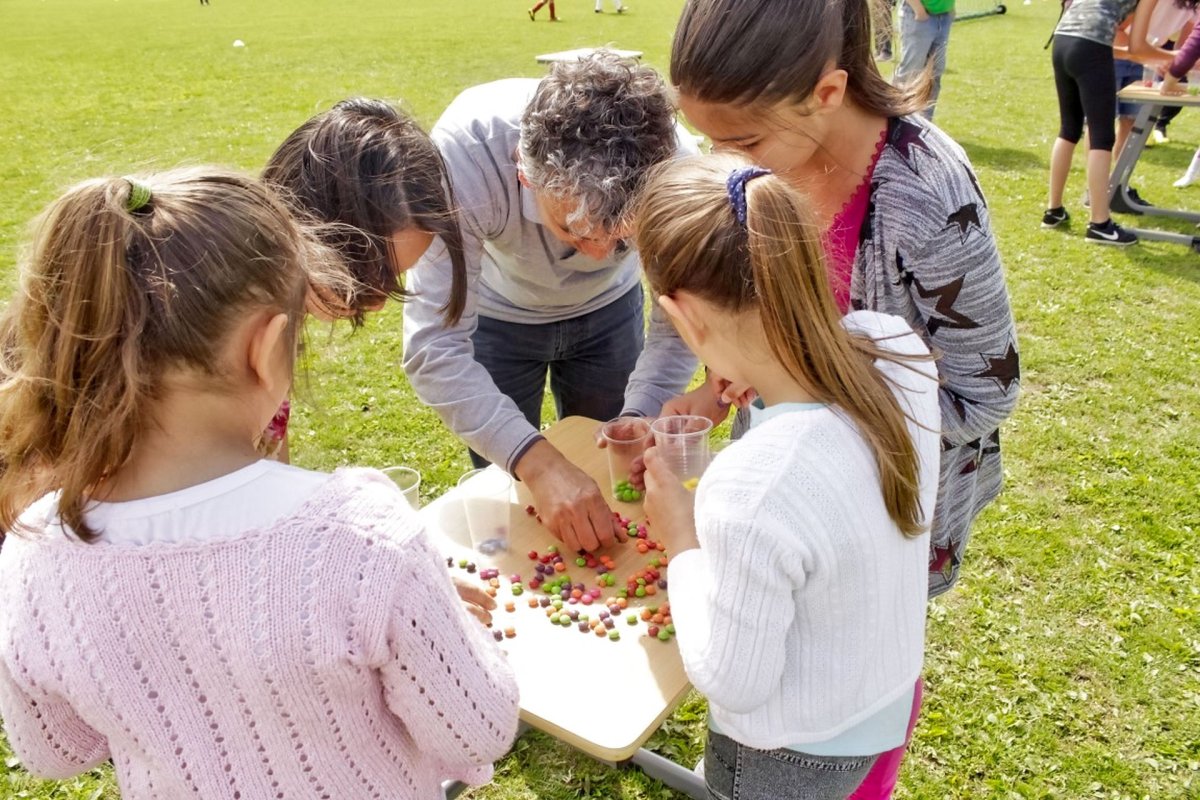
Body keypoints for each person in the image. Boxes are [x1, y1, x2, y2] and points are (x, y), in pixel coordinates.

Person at [0, 169, 520, 798]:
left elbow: (53, 751)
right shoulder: (362, 535)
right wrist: (443, 621)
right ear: (265, 343)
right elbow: (475, 732)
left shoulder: (33, 547)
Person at [659, 1, 1019, 794]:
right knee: (786, 658)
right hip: (790, 502)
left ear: (826, 92)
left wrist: (811, 431)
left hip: (881, 515)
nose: (723, 164)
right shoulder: (754, 168)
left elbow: (985, 391)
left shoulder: (929, 193)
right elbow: (765, 326)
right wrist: (722, 388)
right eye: (707, 140)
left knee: (847, 667)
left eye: (744, 142)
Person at [637, 156, 941, 800]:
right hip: (881, 698)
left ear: (682, 315)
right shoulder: (897, 347)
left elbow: (733, 679)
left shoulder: (752, 483)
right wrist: (759, 385)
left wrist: (681, 540)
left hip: (788, 753)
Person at [403, 51, 697, 554]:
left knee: (611, 470)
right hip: (498, 319)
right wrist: (535, 464)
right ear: (524, 172)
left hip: (611, 313)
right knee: (513, 491)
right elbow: (434, 344)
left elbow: (680, 318)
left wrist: (643, 414)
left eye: (623, 236)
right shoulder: (464, 155)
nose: (599, 254)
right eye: (573, 230)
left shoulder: (679, 167)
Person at [259, 98, 469, 461]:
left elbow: (270, 452)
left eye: (393, 279)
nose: (377, 304)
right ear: (311, 227)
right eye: (369, 275)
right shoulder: (228, 324)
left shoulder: (274, 303)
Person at [1043, 0, 1176, 244]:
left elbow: (1125, 45)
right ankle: (1099, 224)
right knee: (1102, 137)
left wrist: (1154, 58)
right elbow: (1138, 45)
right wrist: (1175, 57)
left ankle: (1053, 210)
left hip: (1062, 39)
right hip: (1091, 47)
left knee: (1069, 129)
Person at [893, 0, 955, 118]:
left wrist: (950, 7)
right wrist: (919, 10)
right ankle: (897, 117)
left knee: (934, 74)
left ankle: (924, 121)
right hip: (919, 16)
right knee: (910, 74)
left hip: (943, 16)